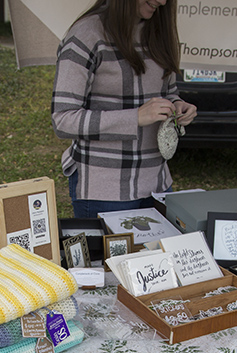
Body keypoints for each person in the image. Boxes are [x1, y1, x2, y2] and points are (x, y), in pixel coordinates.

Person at [51, 0, 197, 218]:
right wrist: (135, 117)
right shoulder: (86, 34)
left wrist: (177, 105)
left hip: (157, 184)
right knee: (107, 254)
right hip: (103, 190)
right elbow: (63, 119)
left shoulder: (158, 31)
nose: (162, 1)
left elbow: (169, 91)